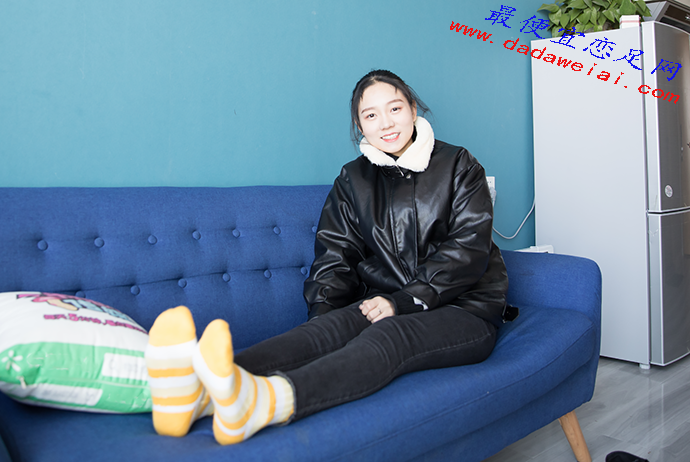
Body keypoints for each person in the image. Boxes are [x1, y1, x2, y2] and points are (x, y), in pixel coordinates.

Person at [144, 69, 510, 445]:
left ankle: (263, 403)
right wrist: (324, 324)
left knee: (391, 334)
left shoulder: (459, 164)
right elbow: (335, 257)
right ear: (360, 125)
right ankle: (197, 389)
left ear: (413, 110)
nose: (386, 123)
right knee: (325, 330)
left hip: (465, 308)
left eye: (395, 108)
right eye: (371, 115)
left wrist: (403, 301)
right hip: (384, 302)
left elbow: (468, 249)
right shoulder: (353, 180)